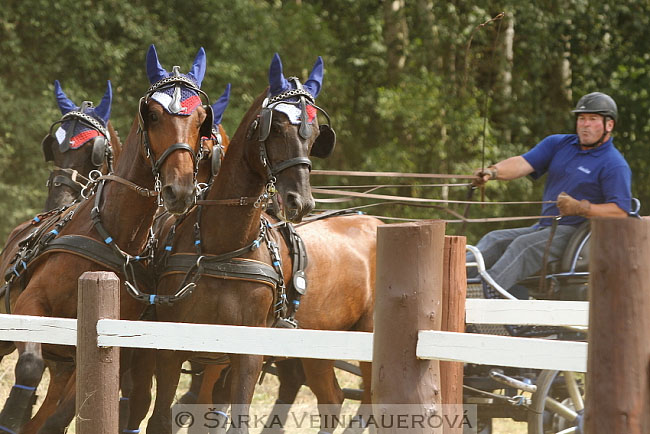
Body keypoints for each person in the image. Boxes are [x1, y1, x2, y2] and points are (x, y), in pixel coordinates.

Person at [467, 92, 632, 295]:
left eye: (592, 119)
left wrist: (580, 207)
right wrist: (493, 172)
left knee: (523, 246)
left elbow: (620, 212)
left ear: (609, 125)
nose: (585, 124)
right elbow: (522, 163)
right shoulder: (558, 144)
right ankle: (453, 280)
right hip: (545, 227)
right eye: (581, 118)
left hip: (575, 232)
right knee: (494, 239)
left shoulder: (614, 164)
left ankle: (481, 295)